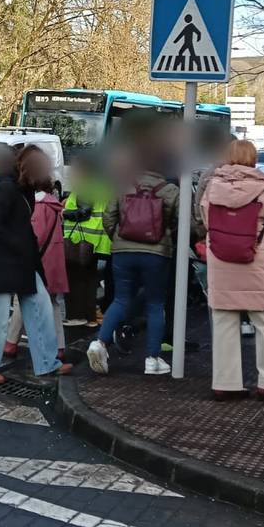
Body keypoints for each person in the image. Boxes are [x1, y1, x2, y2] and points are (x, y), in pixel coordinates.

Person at [200, 140, 264, 400]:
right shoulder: (263, 189)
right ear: (253, 159)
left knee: (224, 324)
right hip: (257, 264)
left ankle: (225, 383)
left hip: (221, 264)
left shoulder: (212, 187)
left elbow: (207, 222)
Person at [0, 145, 70, 385]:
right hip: (7, 262)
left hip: (19, 260)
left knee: (40, 309)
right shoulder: (9, 189)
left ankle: (47, 362)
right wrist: (21, 246)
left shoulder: (20, 189)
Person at [86, 156, 179, 377]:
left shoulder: (123, 185)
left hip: (123, 253)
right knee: (156, 304)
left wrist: (118, 240)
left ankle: (100, 342)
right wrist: (167, 241)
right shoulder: (171, 190)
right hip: (157, 254)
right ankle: (152, 359)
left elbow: (109, 218)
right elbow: (180, 224)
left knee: (121, 299)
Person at [3, 146, 67, 359]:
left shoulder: (38, 205)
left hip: (37, 263)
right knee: (52, 304)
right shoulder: (52, 203)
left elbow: (35, 238)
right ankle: (59, 347)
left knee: (23, 301)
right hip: (52, 262)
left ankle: (11, 343)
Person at [61, 161, 110, 326]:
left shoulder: (85, 187)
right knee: (90, 280)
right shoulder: (102, 187)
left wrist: (64, 213)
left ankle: (76, 316)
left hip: (80, 241)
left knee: (75, 279)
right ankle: (90, 317)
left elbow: (83, 212)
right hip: (95, 241)